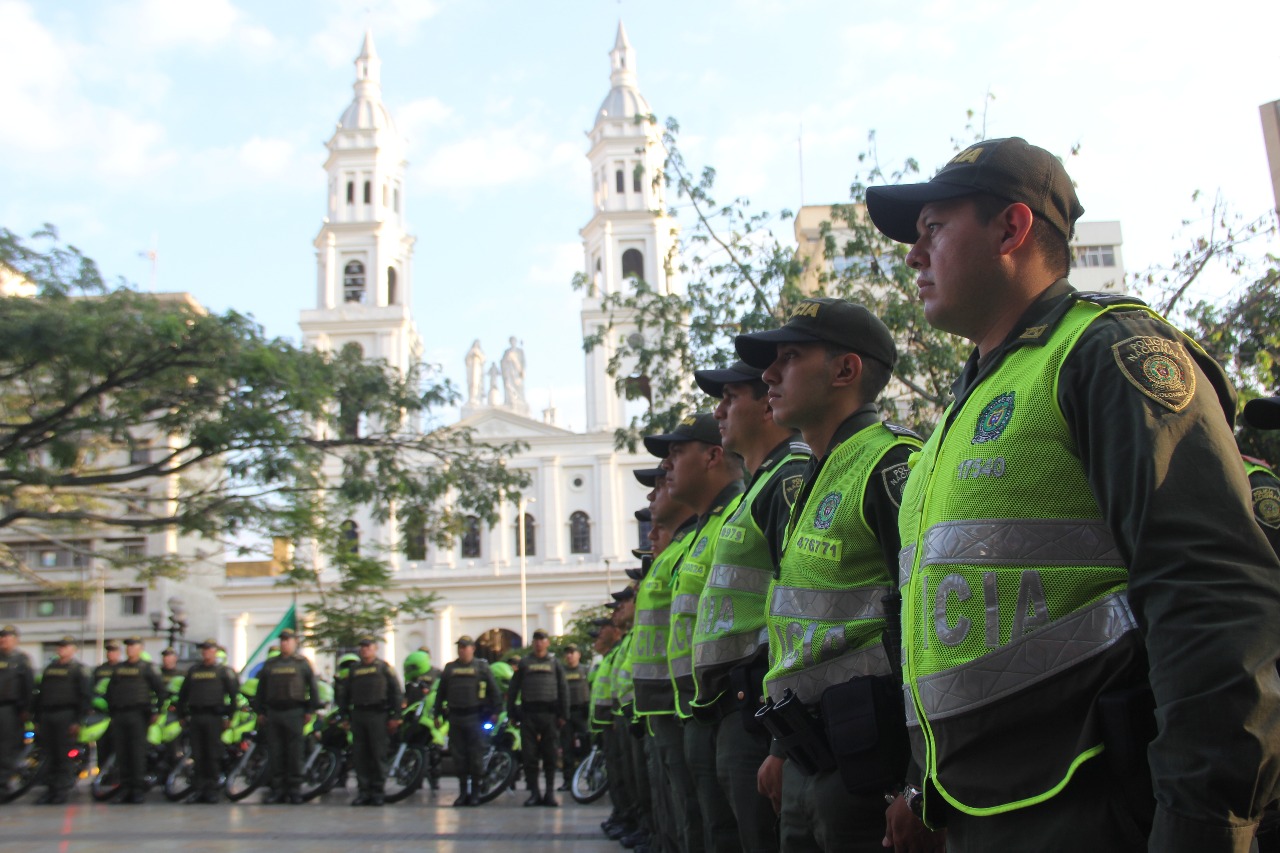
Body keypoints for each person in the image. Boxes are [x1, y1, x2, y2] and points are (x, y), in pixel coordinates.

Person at [865, 136, 1280, 852]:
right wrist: (922, 786)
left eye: (932, 229)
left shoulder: (1104, 352)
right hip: (977, 811)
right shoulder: (951, 424)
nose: (911, 255)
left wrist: (1204, 822)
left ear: (1011, 228)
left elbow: (1212, 599)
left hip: (1091, 809)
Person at [735, 298, 932, 852]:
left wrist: (919, 782)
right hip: (808, 757)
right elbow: (801, 627)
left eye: (790, 357)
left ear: (845, 370)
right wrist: (779, 750)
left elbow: (928, 624)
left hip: (872, 767)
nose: (769, 374)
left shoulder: (890, 463)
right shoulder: (818, 474)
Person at [690, 359, 811, 853]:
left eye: (729, 397)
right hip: (734, 712)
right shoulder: (760, 486)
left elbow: (800, 608)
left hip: (761, 712)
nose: (719, 411)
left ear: (765, 403)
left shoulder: (790, 478)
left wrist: (781, 739)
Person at [647, 412, 746, 852]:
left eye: (675, 452)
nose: (665, 469)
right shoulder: (703, 532)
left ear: (712, 456)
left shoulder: (737, 515)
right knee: (699, 824)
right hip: (691, 709)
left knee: (725, 833)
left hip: (730, 709)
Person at [630, 465, 701, 853]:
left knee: (697, 815)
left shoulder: (693, 545)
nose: (653, 495)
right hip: (667, 706)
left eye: (660, 482)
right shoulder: (679, 551)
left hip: (691, 706)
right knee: (678, 808)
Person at [253, 628, 320, 804]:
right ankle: (278, 789)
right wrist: (260, 711)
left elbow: (313, 688)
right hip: (274, 712)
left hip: (294, 712)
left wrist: (310, 710)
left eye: (288, 640)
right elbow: (261, 690)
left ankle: (294, 789)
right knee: (276, 752)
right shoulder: (271, 664)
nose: (284, 643)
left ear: (295, 642)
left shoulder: (302, 663)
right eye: (282, 640)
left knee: (295, 753)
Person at [434, 635, 500, 807]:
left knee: (476, 757)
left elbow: (494, 690)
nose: (462, 649)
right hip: (456, 717)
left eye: (465, 646)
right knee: (459, 758)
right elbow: (441, 693)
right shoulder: (450, 668)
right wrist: (437, 714)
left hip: (475, 717)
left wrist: (496, 711)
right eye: (460, 647)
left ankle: (476, 793)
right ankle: (463, 792)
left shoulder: (482, 667)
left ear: (473, 648)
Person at [507, 628, 568, 807]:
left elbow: (563, 689)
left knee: (550, 755)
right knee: (529, 756)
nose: (539, 642)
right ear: (533, 642)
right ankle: (534, 793)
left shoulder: (554, 663)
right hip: (529, 715)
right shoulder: (525, 663)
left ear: (547, 642)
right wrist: (512, 713)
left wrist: (564, 714)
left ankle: (549, 793)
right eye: (536, 639)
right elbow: (513, 689)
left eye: (542, 639)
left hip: (549, 715)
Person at [176, 638, 239, 804]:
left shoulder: (224, 671)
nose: (206, 652)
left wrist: (229, 717)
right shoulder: (194, 671)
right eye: (204, 649)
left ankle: (211, 790)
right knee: (198, 754)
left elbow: (233, 697)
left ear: (215, 652)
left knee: (212, 755)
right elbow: (183, 695)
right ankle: (198, 789)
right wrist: (181, 715)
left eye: (209, 649)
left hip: (214, 717)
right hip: (196, 716)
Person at [342, 637, 403, 806]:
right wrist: (344, 716)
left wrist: (395, 716)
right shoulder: (354, 669)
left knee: (378, 754)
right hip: (359, 714)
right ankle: (364, 791)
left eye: (368, 646)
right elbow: (345, 695)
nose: (364, 649)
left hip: (378, 714)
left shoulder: (383, 668)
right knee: (360, 756)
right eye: (362, 646)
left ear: (375, 648)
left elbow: (396, 693)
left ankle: (377, 791)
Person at [104, 637, 165, 804]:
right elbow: (110, 691)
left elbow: (160, 692)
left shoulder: (148, 668)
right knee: (122, 753)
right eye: (128, 646)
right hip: (120, 714)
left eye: (133, 646)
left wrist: (156, 712)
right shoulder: (119, 669)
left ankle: (137, 789)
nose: (130, 649)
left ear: (141, 648)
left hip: (139, 714)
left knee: (137, 753)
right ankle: (125, 787)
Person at [33, 636, 90, 804]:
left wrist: (78, 721)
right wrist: (36, 717)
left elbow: (84, 697)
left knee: (63, 755)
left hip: (67, 715)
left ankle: (61, 790)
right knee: (48, 754)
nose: (62, 650)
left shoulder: (78, 670)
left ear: (73, 650)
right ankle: (50, 790)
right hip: (47, 715)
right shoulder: (49, 668)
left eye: (66, 647)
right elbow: (40, 694)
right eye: (60, 647)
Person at [0, 624, 33, 800]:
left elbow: (28, 687)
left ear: (15, 640)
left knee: (6, 750)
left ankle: (2, 787)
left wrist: (26, 709)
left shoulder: (21, 660)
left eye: (8, 637)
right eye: (2, 637)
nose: (4, 640)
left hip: (10, 710)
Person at [559, 643, 591, 791]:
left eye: (572, 652)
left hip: (582, 712)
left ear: (578, 654)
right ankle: (568, 780)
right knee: (567, 748)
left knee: (586, 745)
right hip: (566, 713)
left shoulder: (585, 670)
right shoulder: (561, 671)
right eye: (567, 653)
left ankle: (590, 778)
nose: (569, 655)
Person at [92, 639, 120, 774]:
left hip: (117, 713)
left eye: (113, 651)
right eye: (109, 651)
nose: (111, 654)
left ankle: (115, 775)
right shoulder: (100, 670)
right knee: (102, 745)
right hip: (101, 713)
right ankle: (102, 773)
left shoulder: (121, 669)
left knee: (117, 745)